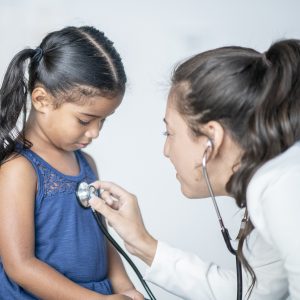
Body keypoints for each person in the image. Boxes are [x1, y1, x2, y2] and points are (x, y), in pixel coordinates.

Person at [88, 39, 300, 299]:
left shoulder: (281, 186)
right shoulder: (278, 183)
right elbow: (254, 294)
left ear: (212, 138)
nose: (166, 150)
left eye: (170, 132)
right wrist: (142, 242)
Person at [0, 26, 144, 299]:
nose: (95, 133)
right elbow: (20, 266)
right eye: (85, 120)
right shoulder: (19, 170)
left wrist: (126, 288)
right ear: (42, 100)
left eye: (103, 120)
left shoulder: (86, 163)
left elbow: (102, 237)